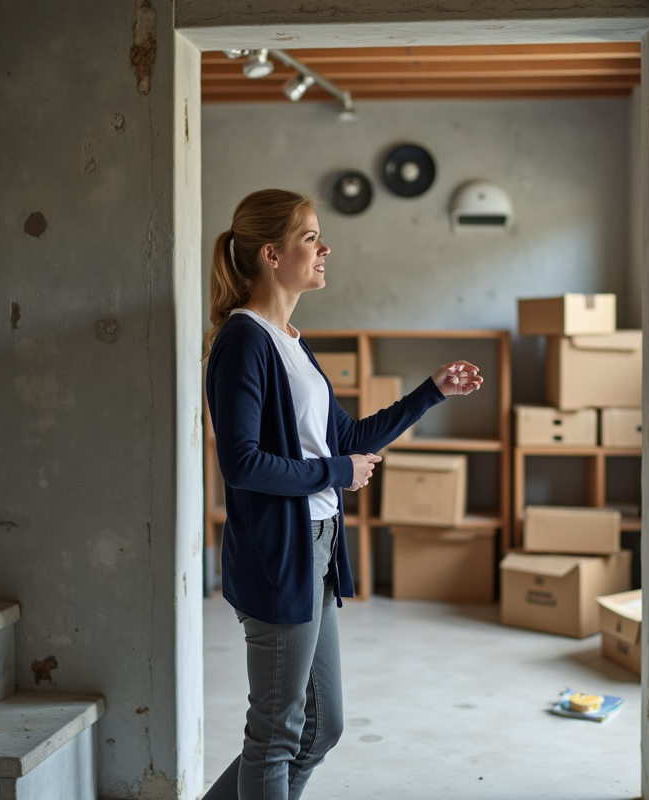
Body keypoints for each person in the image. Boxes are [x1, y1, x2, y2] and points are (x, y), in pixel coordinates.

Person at [202, 189, 483, 800]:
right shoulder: (244, 342)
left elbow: (348, 437)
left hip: (318, 547)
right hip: (282, 553)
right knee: (277, 733)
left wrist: (430, 392)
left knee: (321, 727)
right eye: (311, 237)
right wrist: (337, 473)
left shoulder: (292, 343)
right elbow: (242, 463)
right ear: (272, 255)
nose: (325, 248)